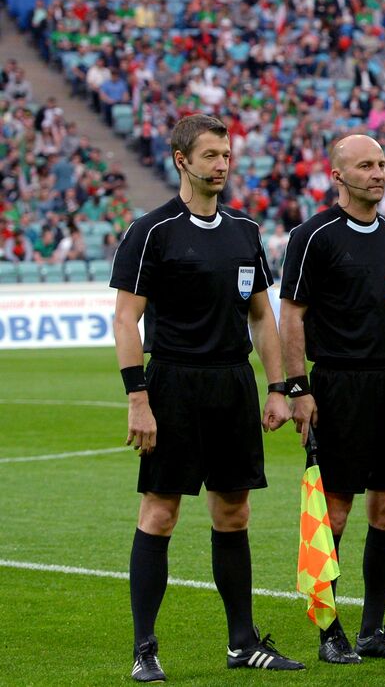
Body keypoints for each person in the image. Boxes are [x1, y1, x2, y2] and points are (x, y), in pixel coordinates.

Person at [112, 114, 303, 682]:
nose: (222, 164)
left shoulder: (244, 233)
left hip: (231, 383)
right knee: (161, 512)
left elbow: (262, 318)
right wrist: (137, 397)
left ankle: (242, 642)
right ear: (181, 159)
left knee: (233, 511)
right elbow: (126, 319)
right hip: (172, 382)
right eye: (211, 155)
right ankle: (144, 648)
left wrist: (276, 388)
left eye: (226, 154)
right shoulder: (152, 231)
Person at [279, 134, 385, 664]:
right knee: (337, 510)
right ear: (338, 176)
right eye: (366, 166)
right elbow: (292, 317)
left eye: (382, 164)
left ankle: (372, 629)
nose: (378, 173)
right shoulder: (314, 236)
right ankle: (329, 631)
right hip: (338, 385)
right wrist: (298, 388)